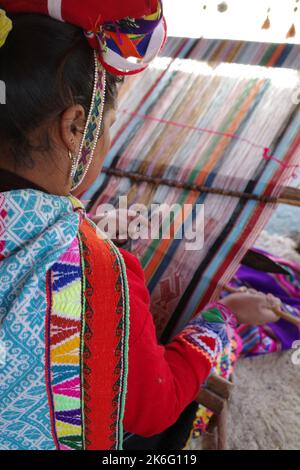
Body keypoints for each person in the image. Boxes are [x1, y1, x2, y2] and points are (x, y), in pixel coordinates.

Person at [0, 3, 281, 450]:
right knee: (174, 416)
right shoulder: (95, 273)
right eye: (109, 125)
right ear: (75, 128)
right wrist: (223, 317)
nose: (110, 141)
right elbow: (153, 407)